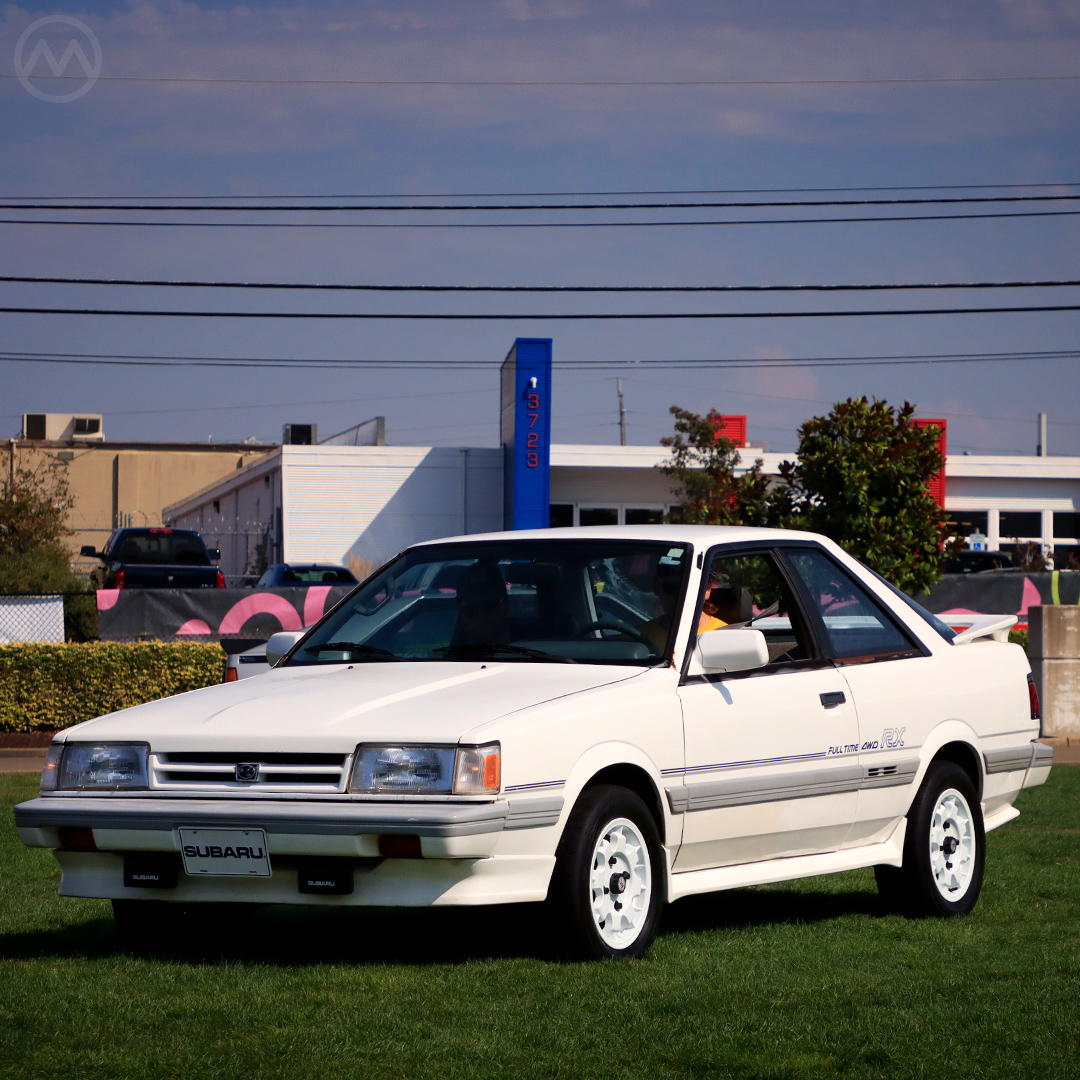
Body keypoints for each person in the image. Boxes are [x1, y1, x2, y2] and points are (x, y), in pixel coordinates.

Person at [452, 562, 511, 645]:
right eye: (470, 610)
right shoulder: (455, 655)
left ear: (506, 604)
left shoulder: (532, 644)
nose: (481, 616)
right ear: (461, 613)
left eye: (490, 607)